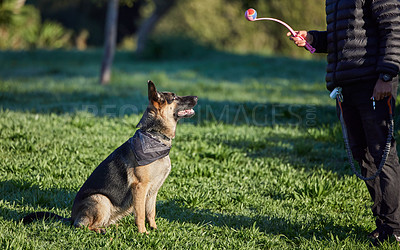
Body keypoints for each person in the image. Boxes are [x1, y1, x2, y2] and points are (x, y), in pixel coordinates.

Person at [288, 0, 400, 245]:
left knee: (382, 154)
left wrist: (386, 75)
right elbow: (348, 39)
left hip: (373, 83)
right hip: (346, 87)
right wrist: (313, 39)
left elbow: (394, 30)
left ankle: (395, 229)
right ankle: (384, 225)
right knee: (364, 156)